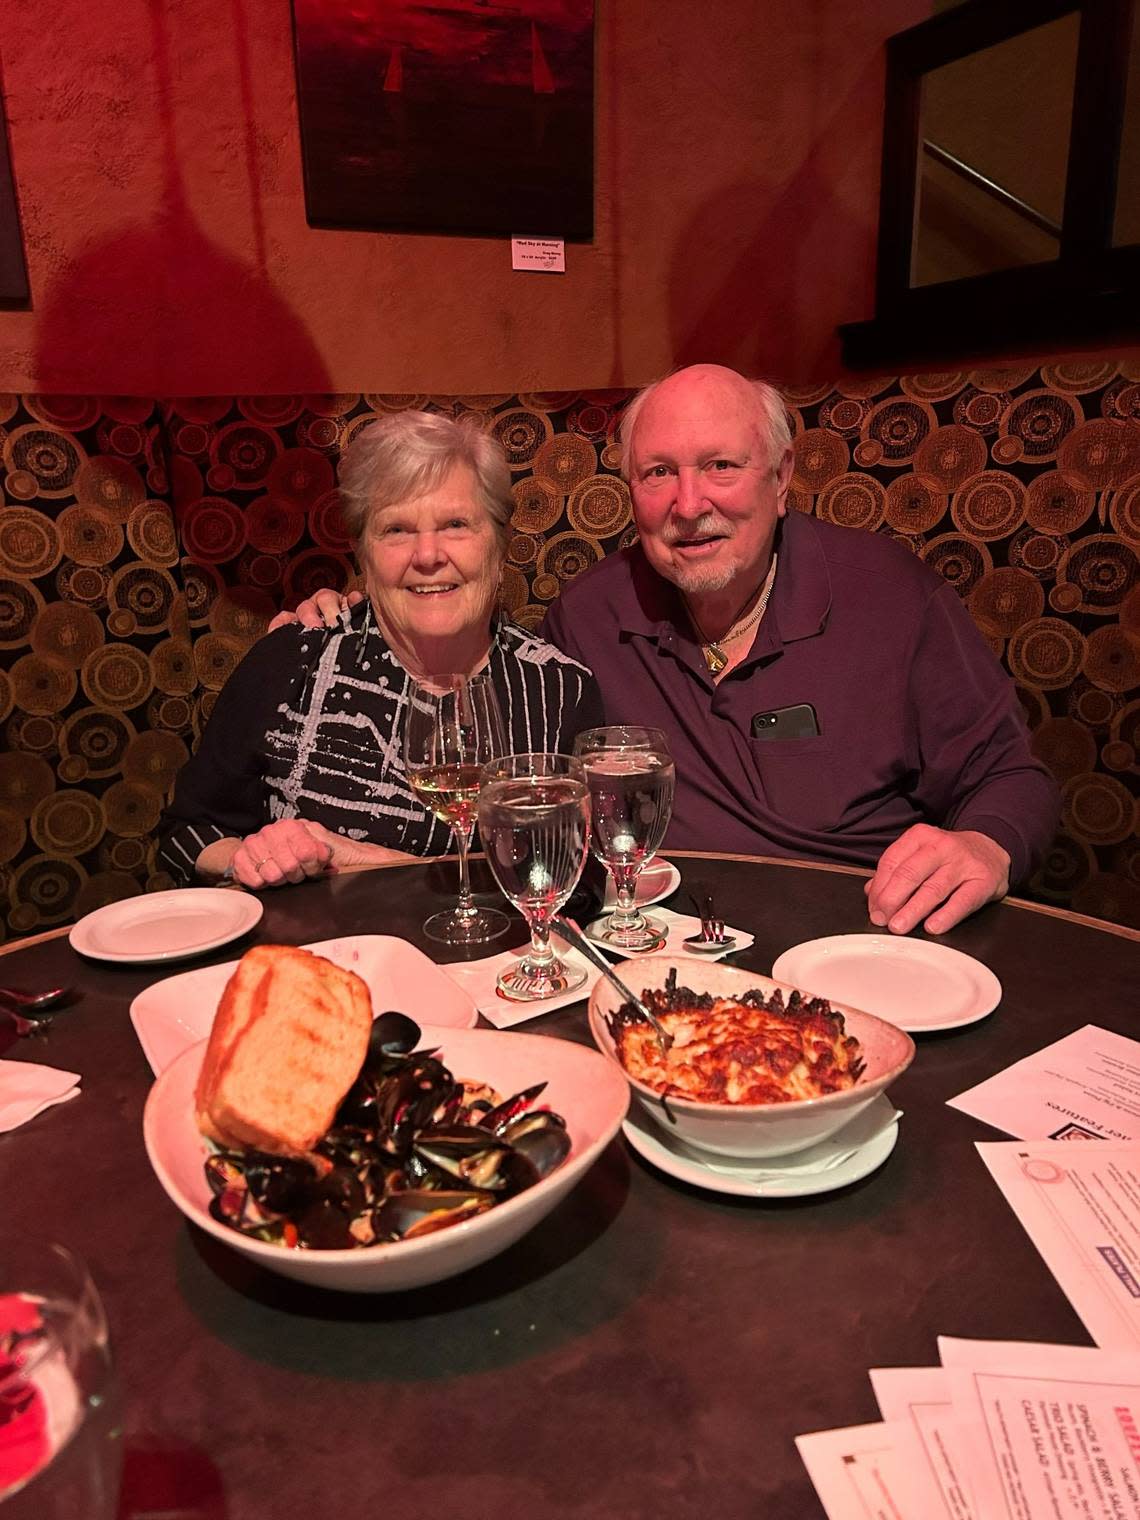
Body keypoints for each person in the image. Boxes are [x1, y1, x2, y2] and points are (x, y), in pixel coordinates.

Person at [286, 365, 1060, 934]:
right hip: (660, 944)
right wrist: (362, 618)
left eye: (720, 466)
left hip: (860, 935)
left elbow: (1011, 774)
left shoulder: (891, 598)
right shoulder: (590, 616)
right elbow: (485, 676)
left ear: (782, 477)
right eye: (660, 474)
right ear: (630, 492)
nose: (690, 505)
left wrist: (986, 845)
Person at [157, 410, 601, 890]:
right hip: (319, 955)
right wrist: (247, 858)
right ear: (362, 553)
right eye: (396, 530)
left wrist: (362, 859)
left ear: (500, 544)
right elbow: (184, 832)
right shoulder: (295, 660)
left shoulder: (559, 691)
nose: (428, 556)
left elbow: (572, 886)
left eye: (455, 524)